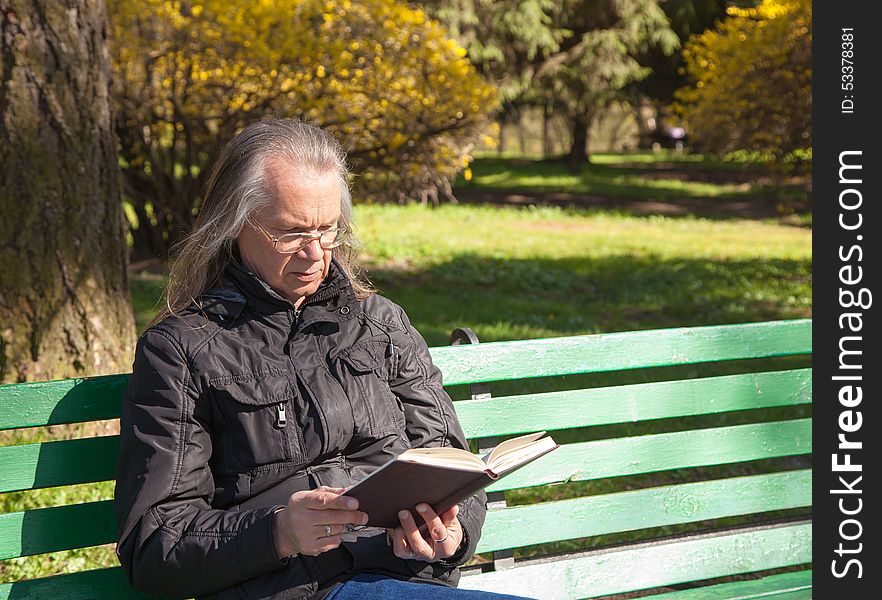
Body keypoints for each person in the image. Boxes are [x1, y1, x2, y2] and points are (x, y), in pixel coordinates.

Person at [114, 119, 530, 600]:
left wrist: (451, 535)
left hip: (407, 580)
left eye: (327, 229)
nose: (315, 254)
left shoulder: (380, 324)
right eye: (290, 233)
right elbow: (153, 544)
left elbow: (451, 462)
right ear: (235, 224)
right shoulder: (183, 351)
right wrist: (277, 534)